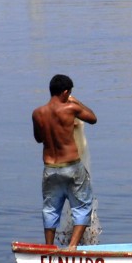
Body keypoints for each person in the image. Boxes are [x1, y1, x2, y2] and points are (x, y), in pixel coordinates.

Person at [32, 74, 98, 249]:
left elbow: (38, 138)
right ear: (66, 92)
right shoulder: (70, 108)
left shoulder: (38, 113)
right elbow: (93, 118)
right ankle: (73, 247)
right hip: (71, 166)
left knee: (50, 209)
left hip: (50, 168)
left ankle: (48, 248)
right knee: (83, 206)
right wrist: (76, 102)